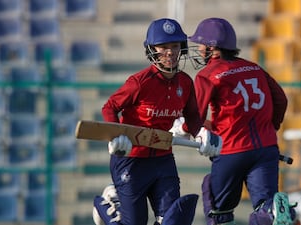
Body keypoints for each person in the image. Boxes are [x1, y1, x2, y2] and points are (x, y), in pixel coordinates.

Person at [94, 18, 222, 225]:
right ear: (152, 49)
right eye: (163, 47)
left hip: (163, 158)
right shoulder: (139, 82)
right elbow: (109, 107)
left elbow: (192, 116)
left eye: (174, 46)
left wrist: (201, 133)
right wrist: (116, 135)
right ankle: (109, 205)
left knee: (172, 220)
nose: (170, 52)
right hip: (131, 159)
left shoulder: (185, 82)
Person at [172, 17, 295, 225]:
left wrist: (182, 127)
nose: (199, 49)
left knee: (217, 207)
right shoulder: (254, 67)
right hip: (266, 149)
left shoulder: (207, 75)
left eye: (201, 44)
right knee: (262, 208)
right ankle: (272, 210)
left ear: (213, 48)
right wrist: (270, 126)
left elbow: (196, 116)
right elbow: (280, 99)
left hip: (231, 150)